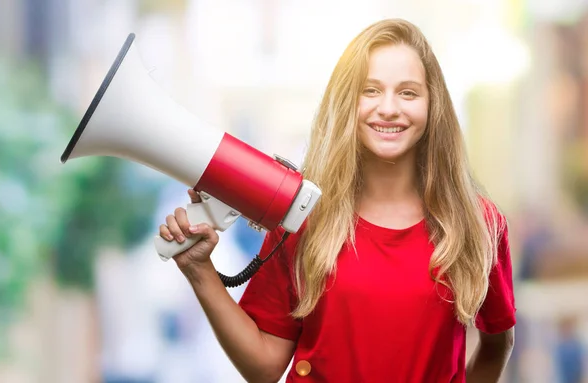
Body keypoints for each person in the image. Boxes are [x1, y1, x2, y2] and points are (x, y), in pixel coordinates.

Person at [159, 18, 516, 382]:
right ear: (347, 103)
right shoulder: (302, 217)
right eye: (371, 90)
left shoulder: (478, 223)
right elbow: (264, 367)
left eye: (408, 92)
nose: (389, 108)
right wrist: (200, 270)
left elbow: (497, 344)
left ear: (433, 104)